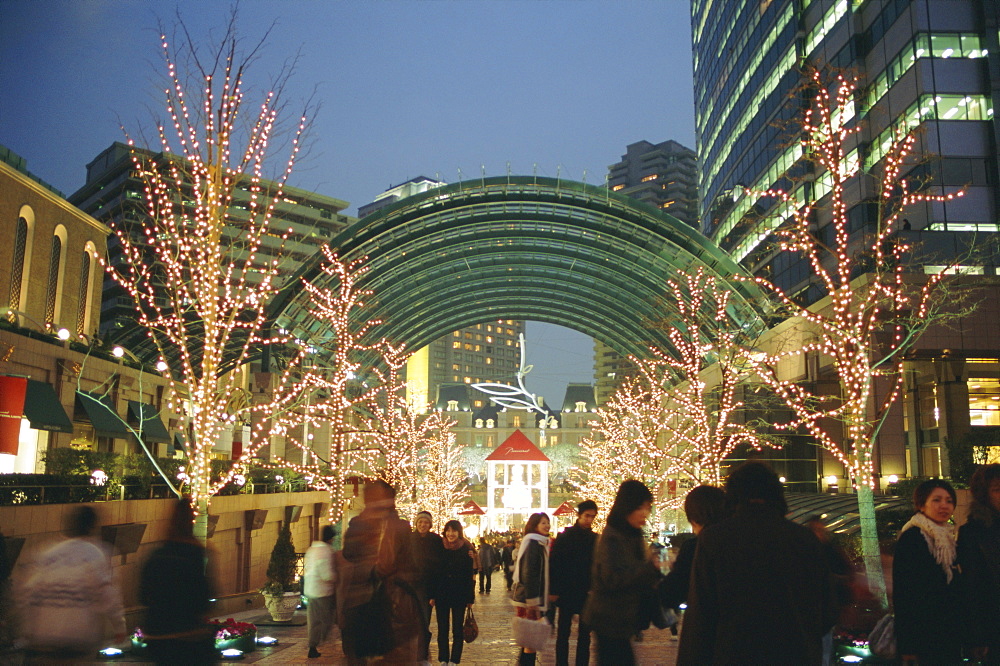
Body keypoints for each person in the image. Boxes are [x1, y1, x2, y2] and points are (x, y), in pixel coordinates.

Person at [677, 462, 835, 665]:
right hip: (793, 653)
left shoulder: (715, 540)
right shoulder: (804, 539)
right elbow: (827, 610)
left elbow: (701, 618)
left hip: (734, 653)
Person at [20, 505, 126, 658]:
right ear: (92, 526)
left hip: (44, 637)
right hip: (78, 637)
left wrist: (28, 630)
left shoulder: (46, 553)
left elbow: (28, 593)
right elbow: (109, 596)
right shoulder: (96, 554)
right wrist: (119, 626)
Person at [341, 480, 423, 664]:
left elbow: (403, 564)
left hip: (392, 607)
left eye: (375, 497)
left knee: (392, 656)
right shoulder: (359, 524)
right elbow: (349, 554)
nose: (370, 502)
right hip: (362, 606)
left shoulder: (398, 527)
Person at [583, 480, 662, 665]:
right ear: (628, 507)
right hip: (609, 619)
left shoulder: (632, 535)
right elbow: (612, 579)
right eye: (641, 508)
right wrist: (651, 568)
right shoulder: (612, 537)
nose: (646, 513)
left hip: (624, 620)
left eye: (648, 508)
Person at [893, 478, 964, 664]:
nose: (944, 506)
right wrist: (908, 645)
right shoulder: (913, 538)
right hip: (923, 634)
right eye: (936, 500)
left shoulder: (948, 538)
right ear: (921, 505)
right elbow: (904, 593)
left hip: (948, 632)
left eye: (949, 501)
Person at [139, 499, 215, 665]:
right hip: (185, 635)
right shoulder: (194, 553)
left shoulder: (157, 554)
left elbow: (143, 595)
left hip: (157, 634)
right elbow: (203, 598)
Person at [659, 484, 726, 642]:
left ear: (695, 519)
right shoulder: (749, 543)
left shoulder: (697, 547)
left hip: (708, 637)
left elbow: (671, 593)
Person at [959, 464, 1000, 664]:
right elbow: (971, 587)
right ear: (984, 495)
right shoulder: (973, 532)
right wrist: (976, 637)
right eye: (997, 490)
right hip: (993, 627)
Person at [549, 499, 598, 666]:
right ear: (578, 515)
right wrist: (554, 590)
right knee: (563, 633)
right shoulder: (565, 537)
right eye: (587, 516)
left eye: (592, 517)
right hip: (567, 591)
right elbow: (555, 564)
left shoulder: (595, 539)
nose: (589, 520)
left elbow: (597, 566)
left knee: (585, 635)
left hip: (586, 592)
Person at [429, 520, 475, 666]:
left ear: (459, 532)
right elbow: (434, 573)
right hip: (442, 594)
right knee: (443, 628)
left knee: (457, 629)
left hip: (459, 595)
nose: (450, 534)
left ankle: (454, 659)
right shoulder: (439, 547)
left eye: (454, 531)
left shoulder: (466, 549)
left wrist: (470, 598)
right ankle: (443, 658)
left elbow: (470, 576)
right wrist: (432, 595)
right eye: (448, 530)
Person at [512, 512, 551, 666]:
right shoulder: (534, 544)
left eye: (548, 522)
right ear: (534, 525)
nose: (547, 525)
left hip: (527, 598)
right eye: (543, 523)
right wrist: (532, 602)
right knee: (531, 641)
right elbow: (530, 573)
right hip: (529, 599)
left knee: (528, 640)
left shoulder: (538, 543)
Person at [411, 510, 443, 665]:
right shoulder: (409, 539)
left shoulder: (436, 540)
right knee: (410, 623)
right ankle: (412, 653)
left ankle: (423, 654)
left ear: (430, 524)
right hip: (410, 588)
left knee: (424, 622)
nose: (422, 525)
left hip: (427, 590)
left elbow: (441, 564)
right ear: (416, 523)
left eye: (425, 522)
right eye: (420, 522)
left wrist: (470, 552)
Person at [304, 524, 337, 659]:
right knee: (327, 619)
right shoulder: (325, 551)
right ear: (331, 538)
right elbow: (326, 575)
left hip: (311, 590)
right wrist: (337, 577)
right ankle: (319, 641)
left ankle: (313, 646)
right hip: (322, 592)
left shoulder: (312, 549)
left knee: (313, 620)